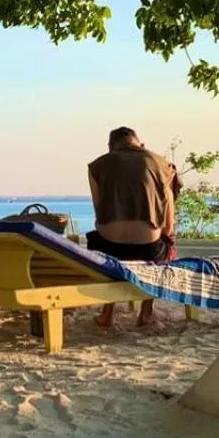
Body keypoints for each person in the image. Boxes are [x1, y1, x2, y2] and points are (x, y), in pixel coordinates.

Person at [87, 127, 184, 328]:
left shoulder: (97, 166)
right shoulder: (161, 164)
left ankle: (107, 312)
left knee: (98, 238)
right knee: (165, 242)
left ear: (110, 148)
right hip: (148, 248)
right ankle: (146, 312)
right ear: (141, 144)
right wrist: (168, 239)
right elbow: (168, 221)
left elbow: (100, 213)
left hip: (109, 248)